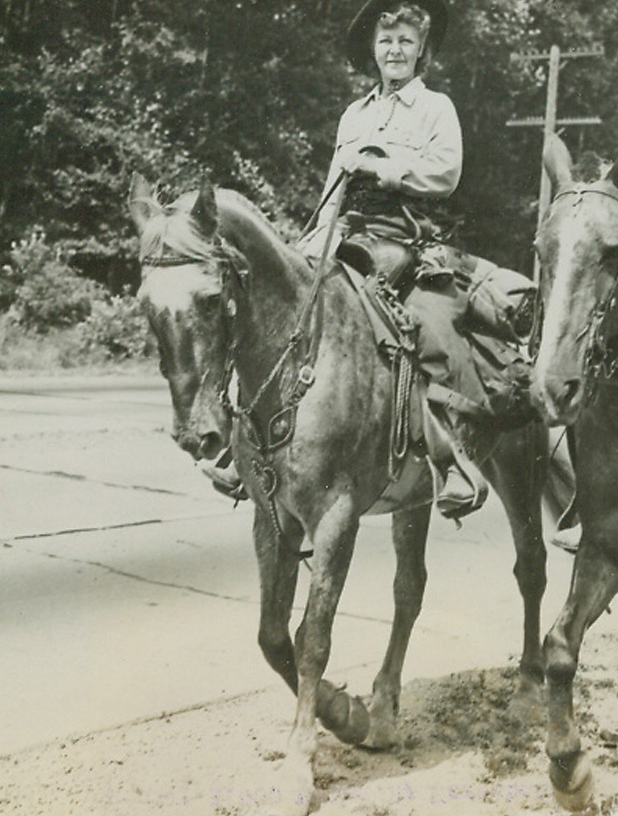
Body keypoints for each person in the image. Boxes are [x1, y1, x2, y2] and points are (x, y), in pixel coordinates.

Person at [208, 0, 493, 519]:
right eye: (386, 42)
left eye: (406, 40)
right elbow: (329, 192)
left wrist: (388, 170)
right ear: (372, 50)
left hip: (401, 233)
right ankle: (240, 441)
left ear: (422, 48)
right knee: (268, 303)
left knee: (423, 324)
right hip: (339, 230)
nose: (395, 50)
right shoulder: (354, 114)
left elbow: (446, 173)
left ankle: (449, 459)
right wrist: (304, 245)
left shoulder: (436, 108)